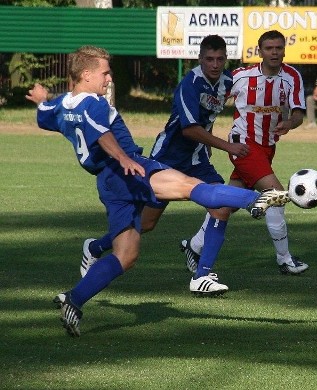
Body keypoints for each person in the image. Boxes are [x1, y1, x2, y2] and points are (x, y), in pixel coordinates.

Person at [25, 45, 289, 336]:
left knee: (125, 255)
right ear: (86, 75)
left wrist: (41, 99)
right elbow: (101, 133)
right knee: (191, 187)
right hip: (131, 170)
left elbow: (45, 115)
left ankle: (74, 300)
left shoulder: (63, 104)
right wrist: (123, 157)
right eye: (105, 72)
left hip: (108, 183)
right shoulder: (94, 104)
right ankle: (258, 198)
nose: (109, 78)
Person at [80, 35, 248, 295]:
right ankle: (95, 248)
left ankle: (202, 276)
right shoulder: (189, 84)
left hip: (198, 159)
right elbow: (190, 129)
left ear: (226, 59)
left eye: (220, 59)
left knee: (221, 208)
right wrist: (228, 146)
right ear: (200, 59)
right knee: (146, 224)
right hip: (167, 158)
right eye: (209, 59)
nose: (215, 64)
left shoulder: (227, 81)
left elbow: (221, 109)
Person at [182, 30, 309, 275]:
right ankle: (284, 259)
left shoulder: (292, 76)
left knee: (226, 204)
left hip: (268, 146)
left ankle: (194, 246)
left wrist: (290, 123)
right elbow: (212, 102)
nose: (274, 52)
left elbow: (298, 114)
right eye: (269, 48)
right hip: (243, 145)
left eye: (278, 48)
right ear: (259, 51)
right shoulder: (240, 76)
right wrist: (204, 134)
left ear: (284, 50)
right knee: (275, 197)